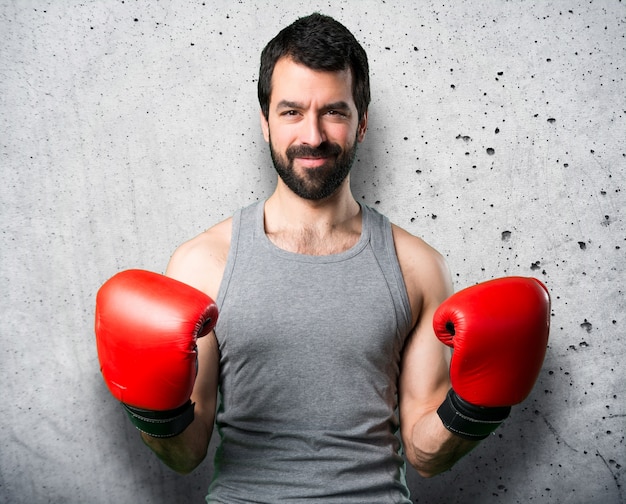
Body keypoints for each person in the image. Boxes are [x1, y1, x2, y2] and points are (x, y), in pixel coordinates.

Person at [95, 13, 550, 503]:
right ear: (265, 121)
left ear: (362, 122)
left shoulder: (417, 266)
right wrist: (153, 411)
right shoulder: (201, 263)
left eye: (334, 111)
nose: (312, 135)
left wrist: (476, 410)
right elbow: (185, 453)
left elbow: (425, 455)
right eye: (291, 112)